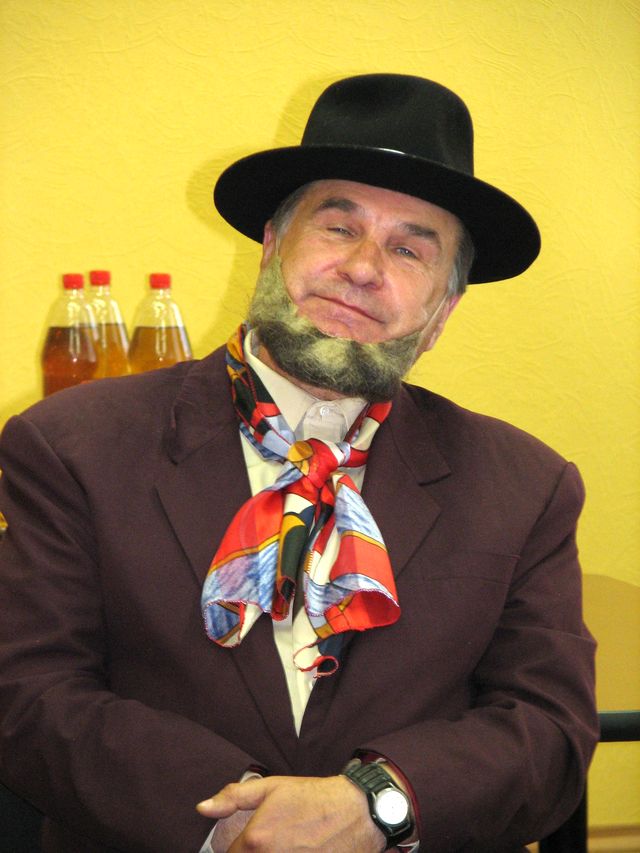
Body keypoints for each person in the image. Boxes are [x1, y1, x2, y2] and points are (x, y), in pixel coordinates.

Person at [0, 74, 597, 853]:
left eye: (409, 248)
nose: (363, 266)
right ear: (271, 247)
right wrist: (239, 819)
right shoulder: (70, 445)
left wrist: (377, 806)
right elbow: (28, 692)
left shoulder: (528, 487)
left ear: (441, 313)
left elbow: (549, 729)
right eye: (338, 227)